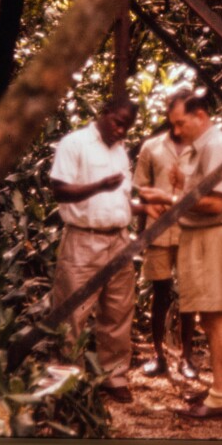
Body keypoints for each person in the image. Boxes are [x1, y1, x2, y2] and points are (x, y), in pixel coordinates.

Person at [140, 89, 222, 418]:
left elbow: (214, 203)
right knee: (221, 315)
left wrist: (170, 198)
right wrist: (185, 185)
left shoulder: (214, 145)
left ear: (200, 115)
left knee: (214, 318)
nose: (177, 131)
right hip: (214, 235)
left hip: (211, 237)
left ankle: (217, 398)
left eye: (181, 123)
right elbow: (209, 193)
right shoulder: (212, 146)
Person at [48, 97, 141, 404]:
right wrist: (99, 186)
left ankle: (114, 376)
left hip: (118, 239)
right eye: (117, 122)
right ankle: (66, 380)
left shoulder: (119, 151)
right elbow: (59, 189)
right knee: (72, 312)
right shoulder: (75, 144)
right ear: (104, 113)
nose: (120, 130)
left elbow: (122, 198)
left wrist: (143, 206)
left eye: (126, 127)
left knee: (117, 309)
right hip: (83, 240)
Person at [133, 120, 199, 380]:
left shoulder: (200, 149)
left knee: (189, 295)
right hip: (158, 229)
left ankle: (186, 357)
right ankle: (158, 354)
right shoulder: (152, 147)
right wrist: (141, 232)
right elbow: (141, 189)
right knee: (160, 293)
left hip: (189, 231)